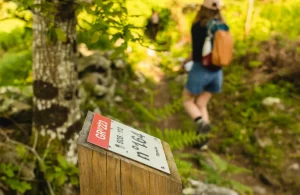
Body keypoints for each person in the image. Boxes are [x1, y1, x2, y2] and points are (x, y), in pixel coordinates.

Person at [181, 0, 227, 146]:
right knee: (201, 104)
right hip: (217, 72)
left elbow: (196, 52)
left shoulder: (198, 26)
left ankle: (201, 123)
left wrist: (184, 62)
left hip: (201, 70)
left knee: (187, 100)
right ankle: (203, 142)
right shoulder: (223, 26)